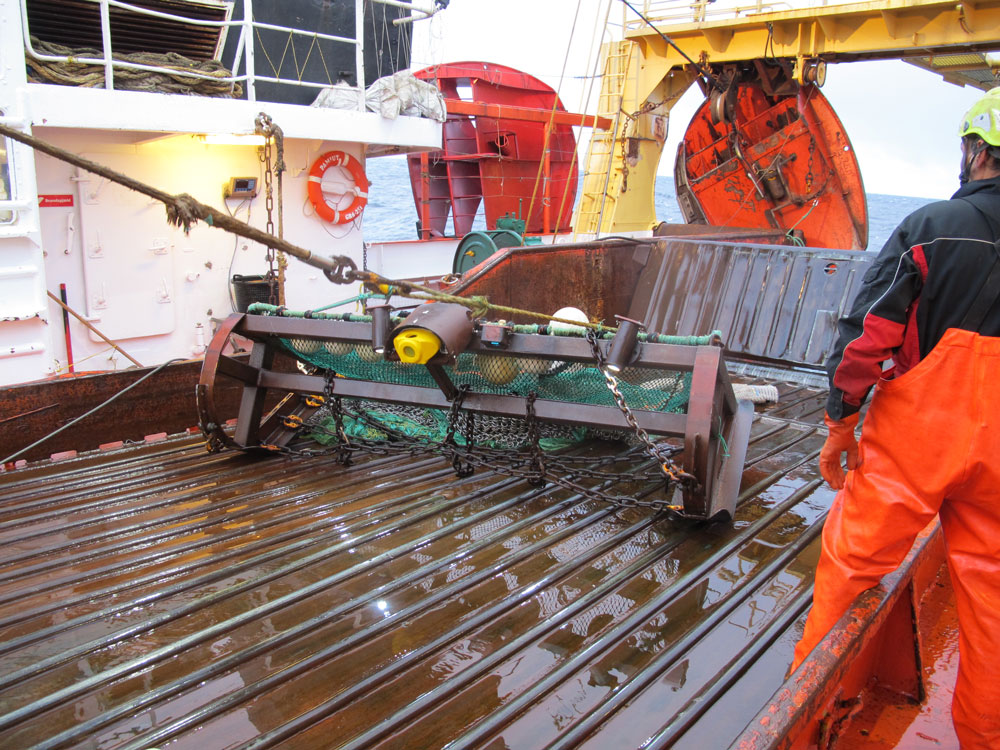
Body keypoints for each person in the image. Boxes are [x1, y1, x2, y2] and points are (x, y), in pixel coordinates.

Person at [791, 87, 1000, 749]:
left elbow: (865, 339)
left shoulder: (933, 227)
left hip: (916, 446)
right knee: (994, 608)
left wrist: (839, 425)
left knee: (850, 568)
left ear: (974, 151)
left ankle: (812, 726)